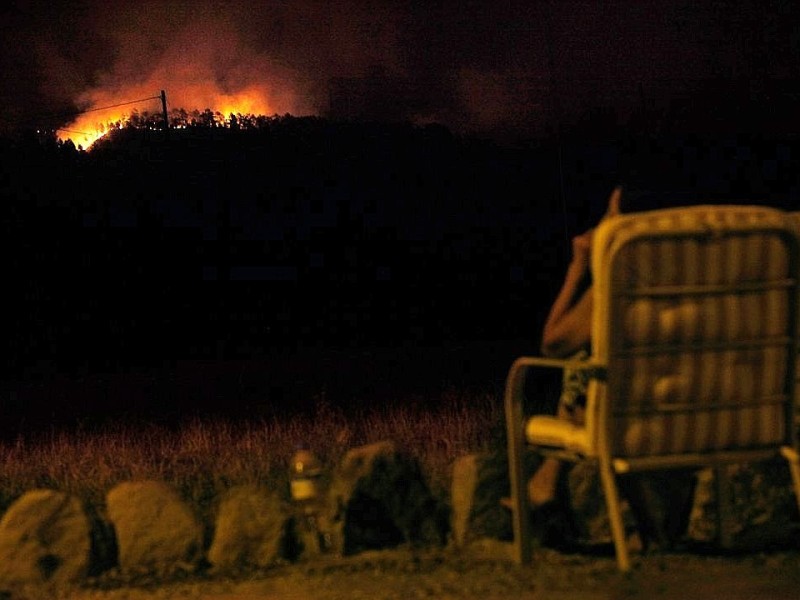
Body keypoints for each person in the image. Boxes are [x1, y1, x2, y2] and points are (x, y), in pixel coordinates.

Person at [526, 186, 695, 551]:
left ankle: (544, 485)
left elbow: (553, 343)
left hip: (629, 419)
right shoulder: (699, 280)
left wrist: (578, 269)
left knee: (585, 376)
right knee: (591, 373)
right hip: (698, 414)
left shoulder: (620, 285)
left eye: (607, 215)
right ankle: (547, 485)